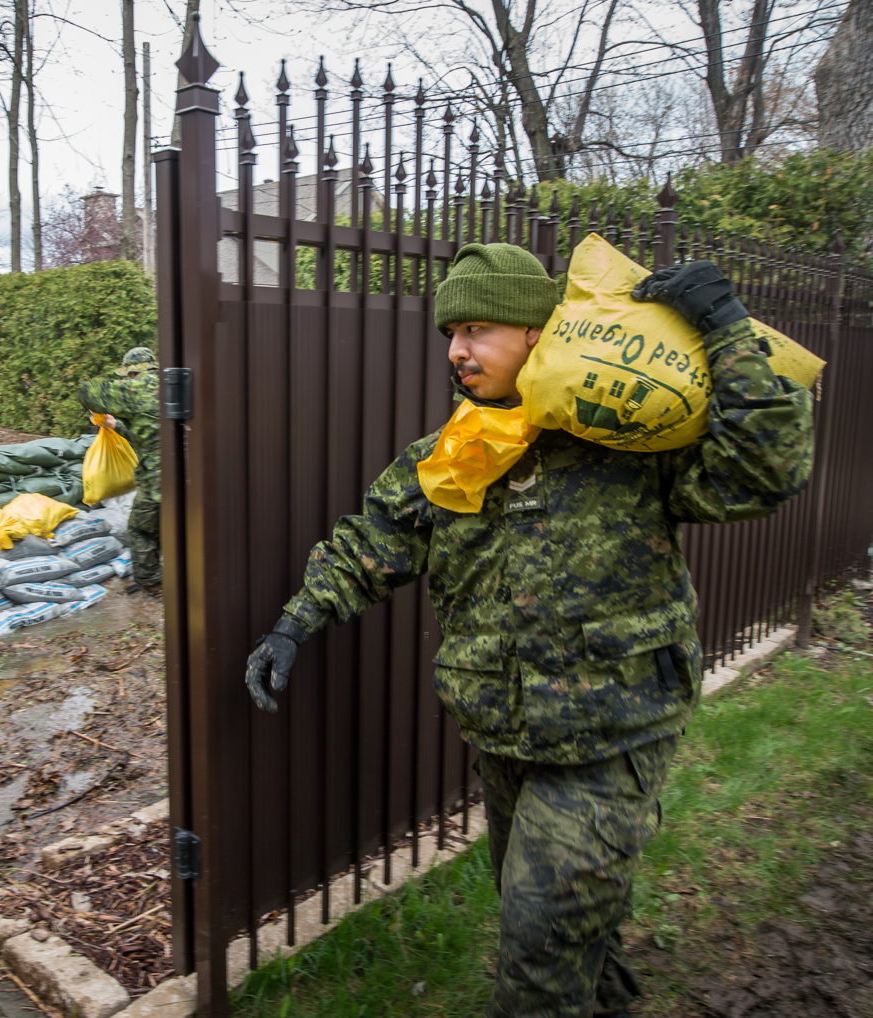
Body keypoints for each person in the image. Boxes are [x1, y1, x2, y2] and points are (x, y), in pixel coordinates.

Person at [243, 244, 814, 1018]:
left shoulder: (630, 446)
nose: (456, 350)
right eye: (450, 332)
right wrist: (293, 623)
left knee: (537, 949)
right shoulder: (456, 453)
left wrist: (723, 326)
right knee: (538, 909)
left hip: (613, 736)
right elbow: (373, 541)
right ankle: (603, 982)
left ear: (536, 333)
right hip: (504, 737)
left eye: (477, 328)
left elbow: (763, 470)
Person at [78, 346, 161, 593]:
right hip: (193, 475)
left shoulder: (136, 388)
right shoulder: (174, 383)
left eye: (126, 376)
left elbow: (86, 392)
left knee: (140, 528)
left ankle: (153, 583)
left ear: (132, 372)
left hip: (158, 480)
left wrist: (107, 401)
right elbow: (150, 435)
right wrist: (116, 425)